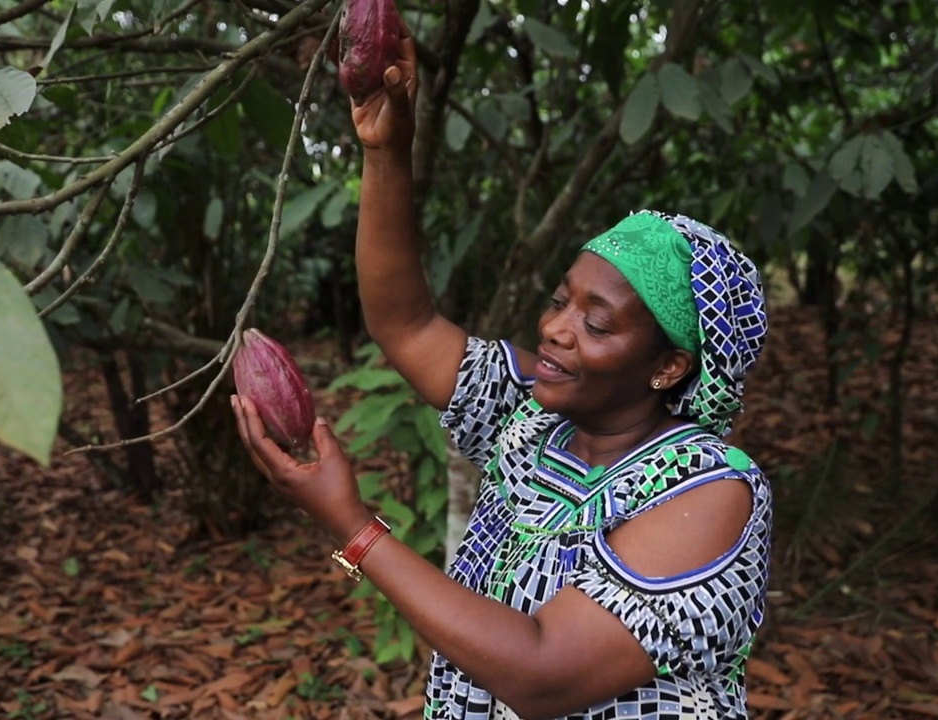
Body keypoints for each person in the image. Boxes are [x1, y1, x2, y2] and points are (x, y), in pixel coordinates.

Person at [231, 18, 771, 720]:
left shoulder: (711, 492)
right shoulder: (534, 418)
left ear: (668, 367)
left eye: (596, 323)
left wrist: (353, 527)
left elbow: (545, 673)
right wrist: (388, 150)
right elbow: (406, 323)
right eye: (559, 301)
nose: (554, 328)